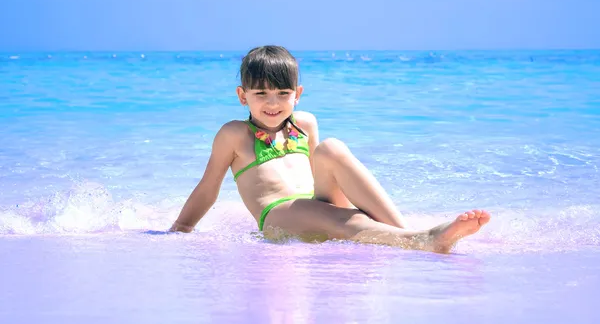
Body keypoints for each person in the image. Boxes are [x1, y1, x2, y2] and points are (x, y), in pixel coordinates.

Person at [170, 45, 490, 253]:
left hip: (315, 205)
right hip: (280, 218)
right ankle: (424, 241)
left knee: (331, 149)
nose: (272, 103)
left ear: (298, 93)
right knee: (326, 215)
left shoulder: (305, 123)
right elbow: (208, 188)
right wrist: (181, 229)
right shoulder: (234, 134)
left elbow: (327, 180)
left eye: (283, 94)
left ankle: (407, 234)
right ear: (243, 96)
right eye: (261, 94)